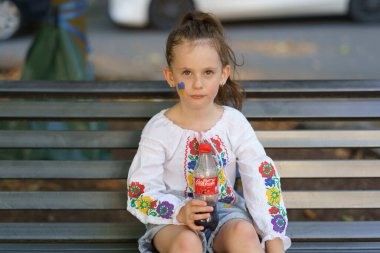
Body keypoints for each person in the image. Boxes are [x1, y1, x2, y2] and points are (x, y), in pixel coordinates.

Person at [127, 11, 291, 253]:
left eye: (207, 72)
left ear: (223, 74)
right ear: (170, 77)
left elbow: (260, 175)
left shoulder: (234, 123)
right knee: (187, 243)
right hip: (174, 222)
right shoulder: (159, 130)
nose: (197, 83)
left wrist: (272, 236)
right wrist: (178, 212)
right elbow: (140, 189)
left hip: (226, 214)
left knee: (244, 234)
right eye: (186, 73)